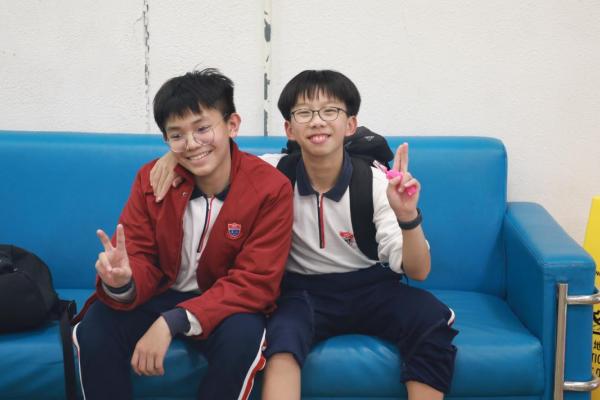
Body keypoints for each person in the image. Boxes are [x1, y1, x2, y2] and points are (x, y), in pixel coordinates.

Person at [151, 69, 458, 400]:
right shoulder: (270, 173)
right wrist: (174, 156)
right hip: (301, 292)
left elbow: (418, 271)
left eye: (330, 111)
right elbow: (216, 156)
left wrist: (408, 216)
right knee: (280, 339)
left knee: (430, 318)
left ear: (350, 124)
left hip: (372, 287)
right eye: (304, 113)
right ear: (289, 129)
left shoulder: (377, 184)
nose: (317, 121)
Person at [72, 68, 294, 400]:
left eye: (203, 129)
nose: (191, 144)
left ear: (232, 125)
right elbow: (140, 256)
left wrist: (172, 322)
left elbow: (255, 281)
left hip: (226, 304)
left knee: (244, 336)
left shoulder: (270, 188)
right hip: (159, 295)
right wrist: (123, 282)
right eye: (176, 135)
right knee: (95, 328)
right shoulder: (152, 179)